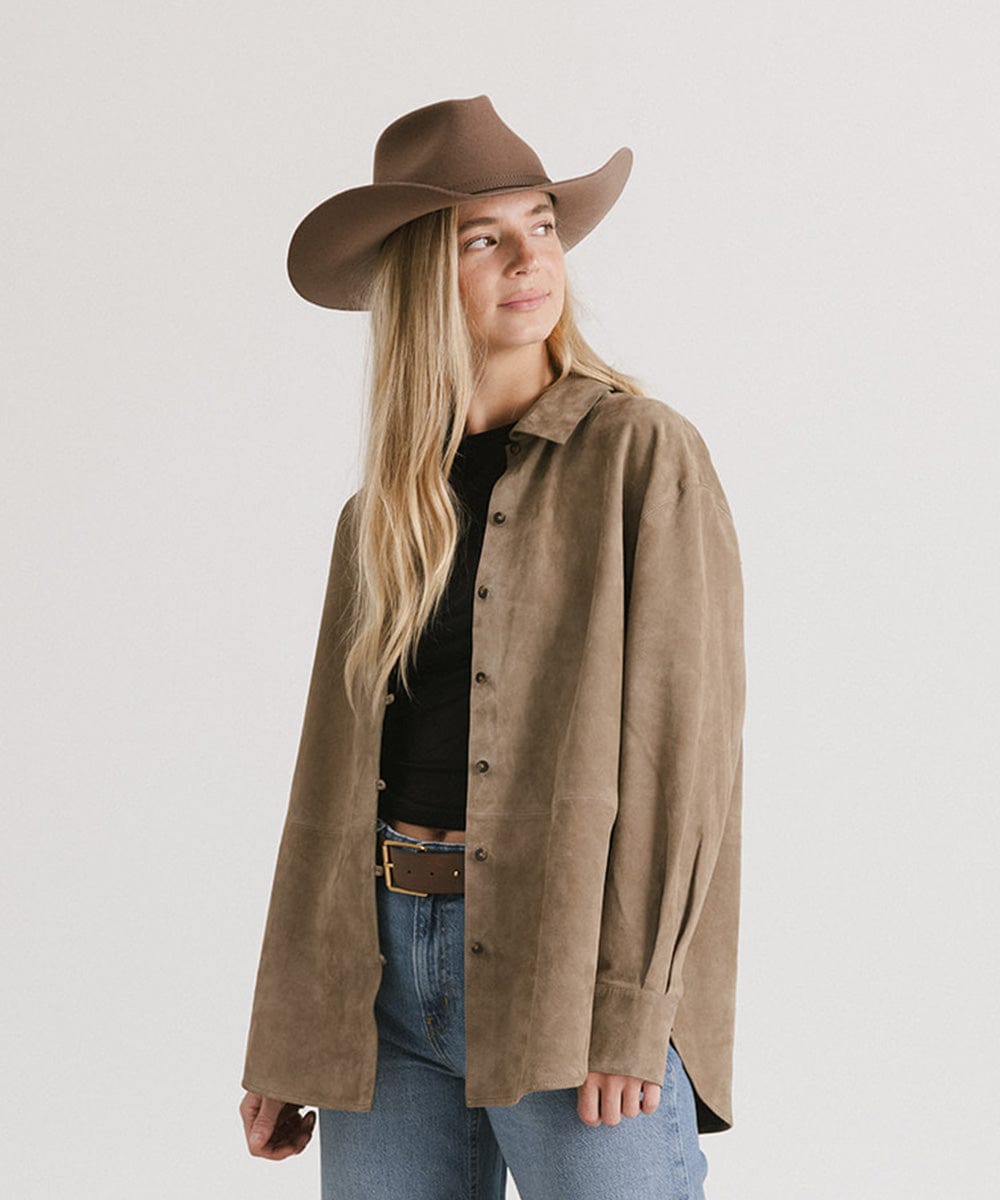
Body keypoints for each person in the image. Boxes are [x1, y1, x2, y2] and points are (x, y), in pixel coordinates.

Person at [238, 95, 746, 1200]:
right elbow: (326, 783)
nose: (532, 258)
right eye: (486, 238)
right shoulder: (378, 512)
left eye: (544, 227)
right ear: (426, 278)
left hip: (563, 975)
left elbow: (682, 757)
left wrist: (632, 1005)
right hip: (377, 979)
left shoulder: (639, 456)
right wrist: (291, 1031)